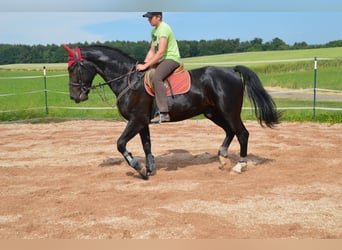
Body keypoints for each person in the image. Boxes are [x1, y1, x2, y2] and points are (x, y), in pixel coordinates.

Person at [136, 12, 181, 123]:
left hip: (171, 59)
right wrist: (144, 64)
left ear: (158, 17)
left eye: (151, 17)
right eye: (148, 18)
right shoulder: (154, 31)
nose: (149, 20)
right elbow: (152, 50)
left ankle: (164, 113)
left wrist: (146, 65)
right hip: (162, 60)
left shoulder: (164, 28)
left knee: (157, 77)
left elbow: (160, 52)